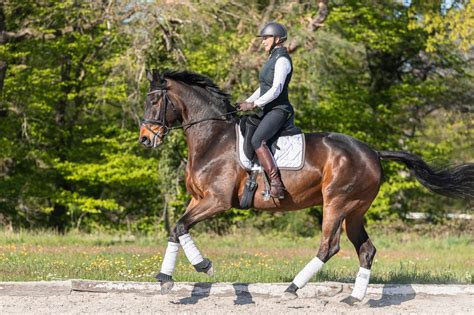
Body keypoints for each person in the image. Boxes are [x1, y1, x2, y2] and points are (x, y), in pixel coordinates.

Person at [239, 21, 294, 200]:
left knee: (257, 140)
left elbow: (276, 89)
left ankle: (276, 182)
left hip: (279, 110)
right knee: (246, 123)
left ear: (277, 39)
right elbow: (264, 87)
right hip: (267, 109)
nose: (262, 41)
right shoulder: (271, 59)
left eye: (265, 38)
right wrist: (246, 102)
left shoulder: (283, 60)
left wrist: (254, 105)